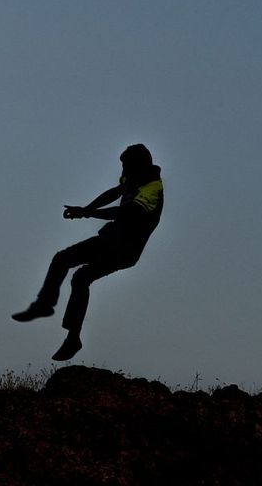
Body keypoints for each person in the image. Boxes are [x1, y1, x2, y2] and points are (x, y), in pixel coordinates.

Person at [12, 144, 164, 361]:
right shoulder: (134, 178)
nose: (123, 172)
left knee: (62, 259)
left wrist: (89, 213)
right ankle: (73, 339)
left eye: (125, 167)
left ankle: (44, 305)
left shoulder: (152, 189)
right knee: (81, 278)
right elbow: (115, 192)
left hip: (122, 247)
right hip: (115, 244)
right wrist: (85, 209)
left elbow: (122, 213)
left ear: (137, 166)